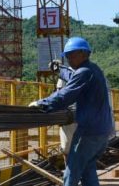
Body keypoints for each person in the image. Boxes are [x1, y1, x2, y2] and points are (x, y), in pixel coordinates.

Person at [29, 37, 114, 186]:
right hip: (103, 131)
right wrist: (59, 70)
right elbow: (73, 77)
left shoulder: (84, 73)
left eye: (72, 55)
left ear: (84, 54)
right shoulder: (93, 69)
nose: (69, 59)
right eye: (67, 56)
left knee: (72, 172)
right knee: (88, 169)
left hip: (89, 132)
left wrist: (41, 104)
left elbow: (65, 95)